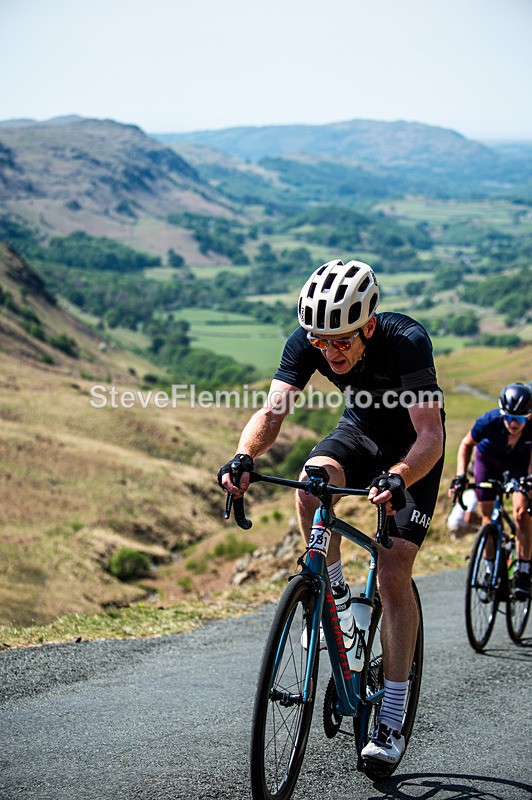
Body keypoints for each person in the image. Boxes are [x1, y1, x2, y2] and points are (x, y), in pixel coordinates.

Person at [218, 259, 445, 765]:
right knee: (309, 484)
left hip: (413, 451)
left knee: (392, 575)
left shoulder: (407, 341)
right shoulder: (310, 340)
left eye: (342, 341)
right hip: (360, 432)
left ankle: (390, 714)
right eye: (322, 342)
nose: (330, 352)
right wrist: (245, 456)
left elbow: (430, 433)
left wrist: (399, 477)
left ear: (368, 326)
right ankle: (333, 591)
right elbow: (272, 412)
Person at [450, 382, 532, 599]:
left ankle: (523, 572)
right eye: (510, 417)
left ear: (529, 417)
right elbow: (466, 444)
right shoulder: (489, 421)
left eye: (521, 419)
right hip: (488, 462)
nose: (514, 423)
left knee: (522, 513)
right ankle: (489, 570)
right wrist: (460, 476)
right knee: (488, 518)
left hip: (519, 464)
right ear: (502, 414)